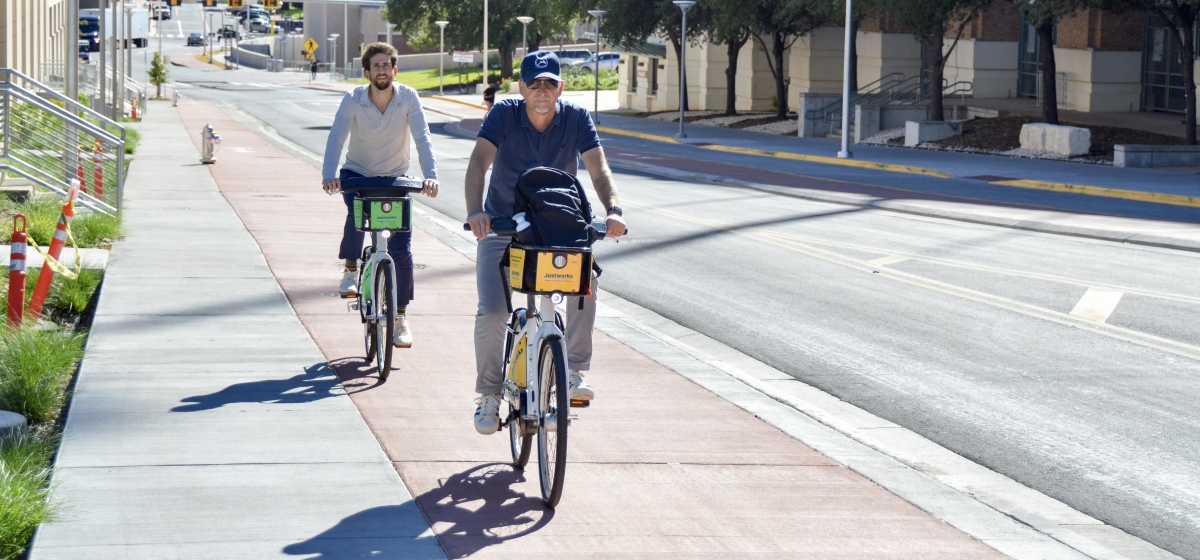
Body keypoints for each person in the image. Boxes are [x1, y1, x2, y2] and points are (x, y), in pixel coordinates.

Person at [465, 51, 627, 435]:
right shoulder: (503, 114)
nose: (542, 90)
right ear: (521, 87)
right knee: (491, 311)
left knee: (586, 283)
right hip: (502, 227)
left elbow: (598, 168)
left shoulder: (575, 118)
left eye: (549, 83)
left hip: (555, 229)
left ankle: (572, 373)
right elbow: (478, 164)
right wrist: (477, 212)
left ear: (561, 87)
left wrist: (614, 209)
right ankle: (488, 395)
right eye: (534, 83)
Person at [322, 42, 439, 348]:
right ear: (367, 72)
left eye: (387, 65)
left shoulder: (409, 98)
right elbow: (337, 137)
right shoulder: (354, 98)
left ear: (395, 70)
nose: (382, 70)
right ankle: (350, 269)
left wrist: (431, 177)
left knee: (401, 248)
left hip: (395, 179)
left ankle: (400, 318)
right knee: (356, 213)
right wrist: (329, 175)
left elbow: (422, 139)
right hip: (358, 174)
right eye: (376, 66)